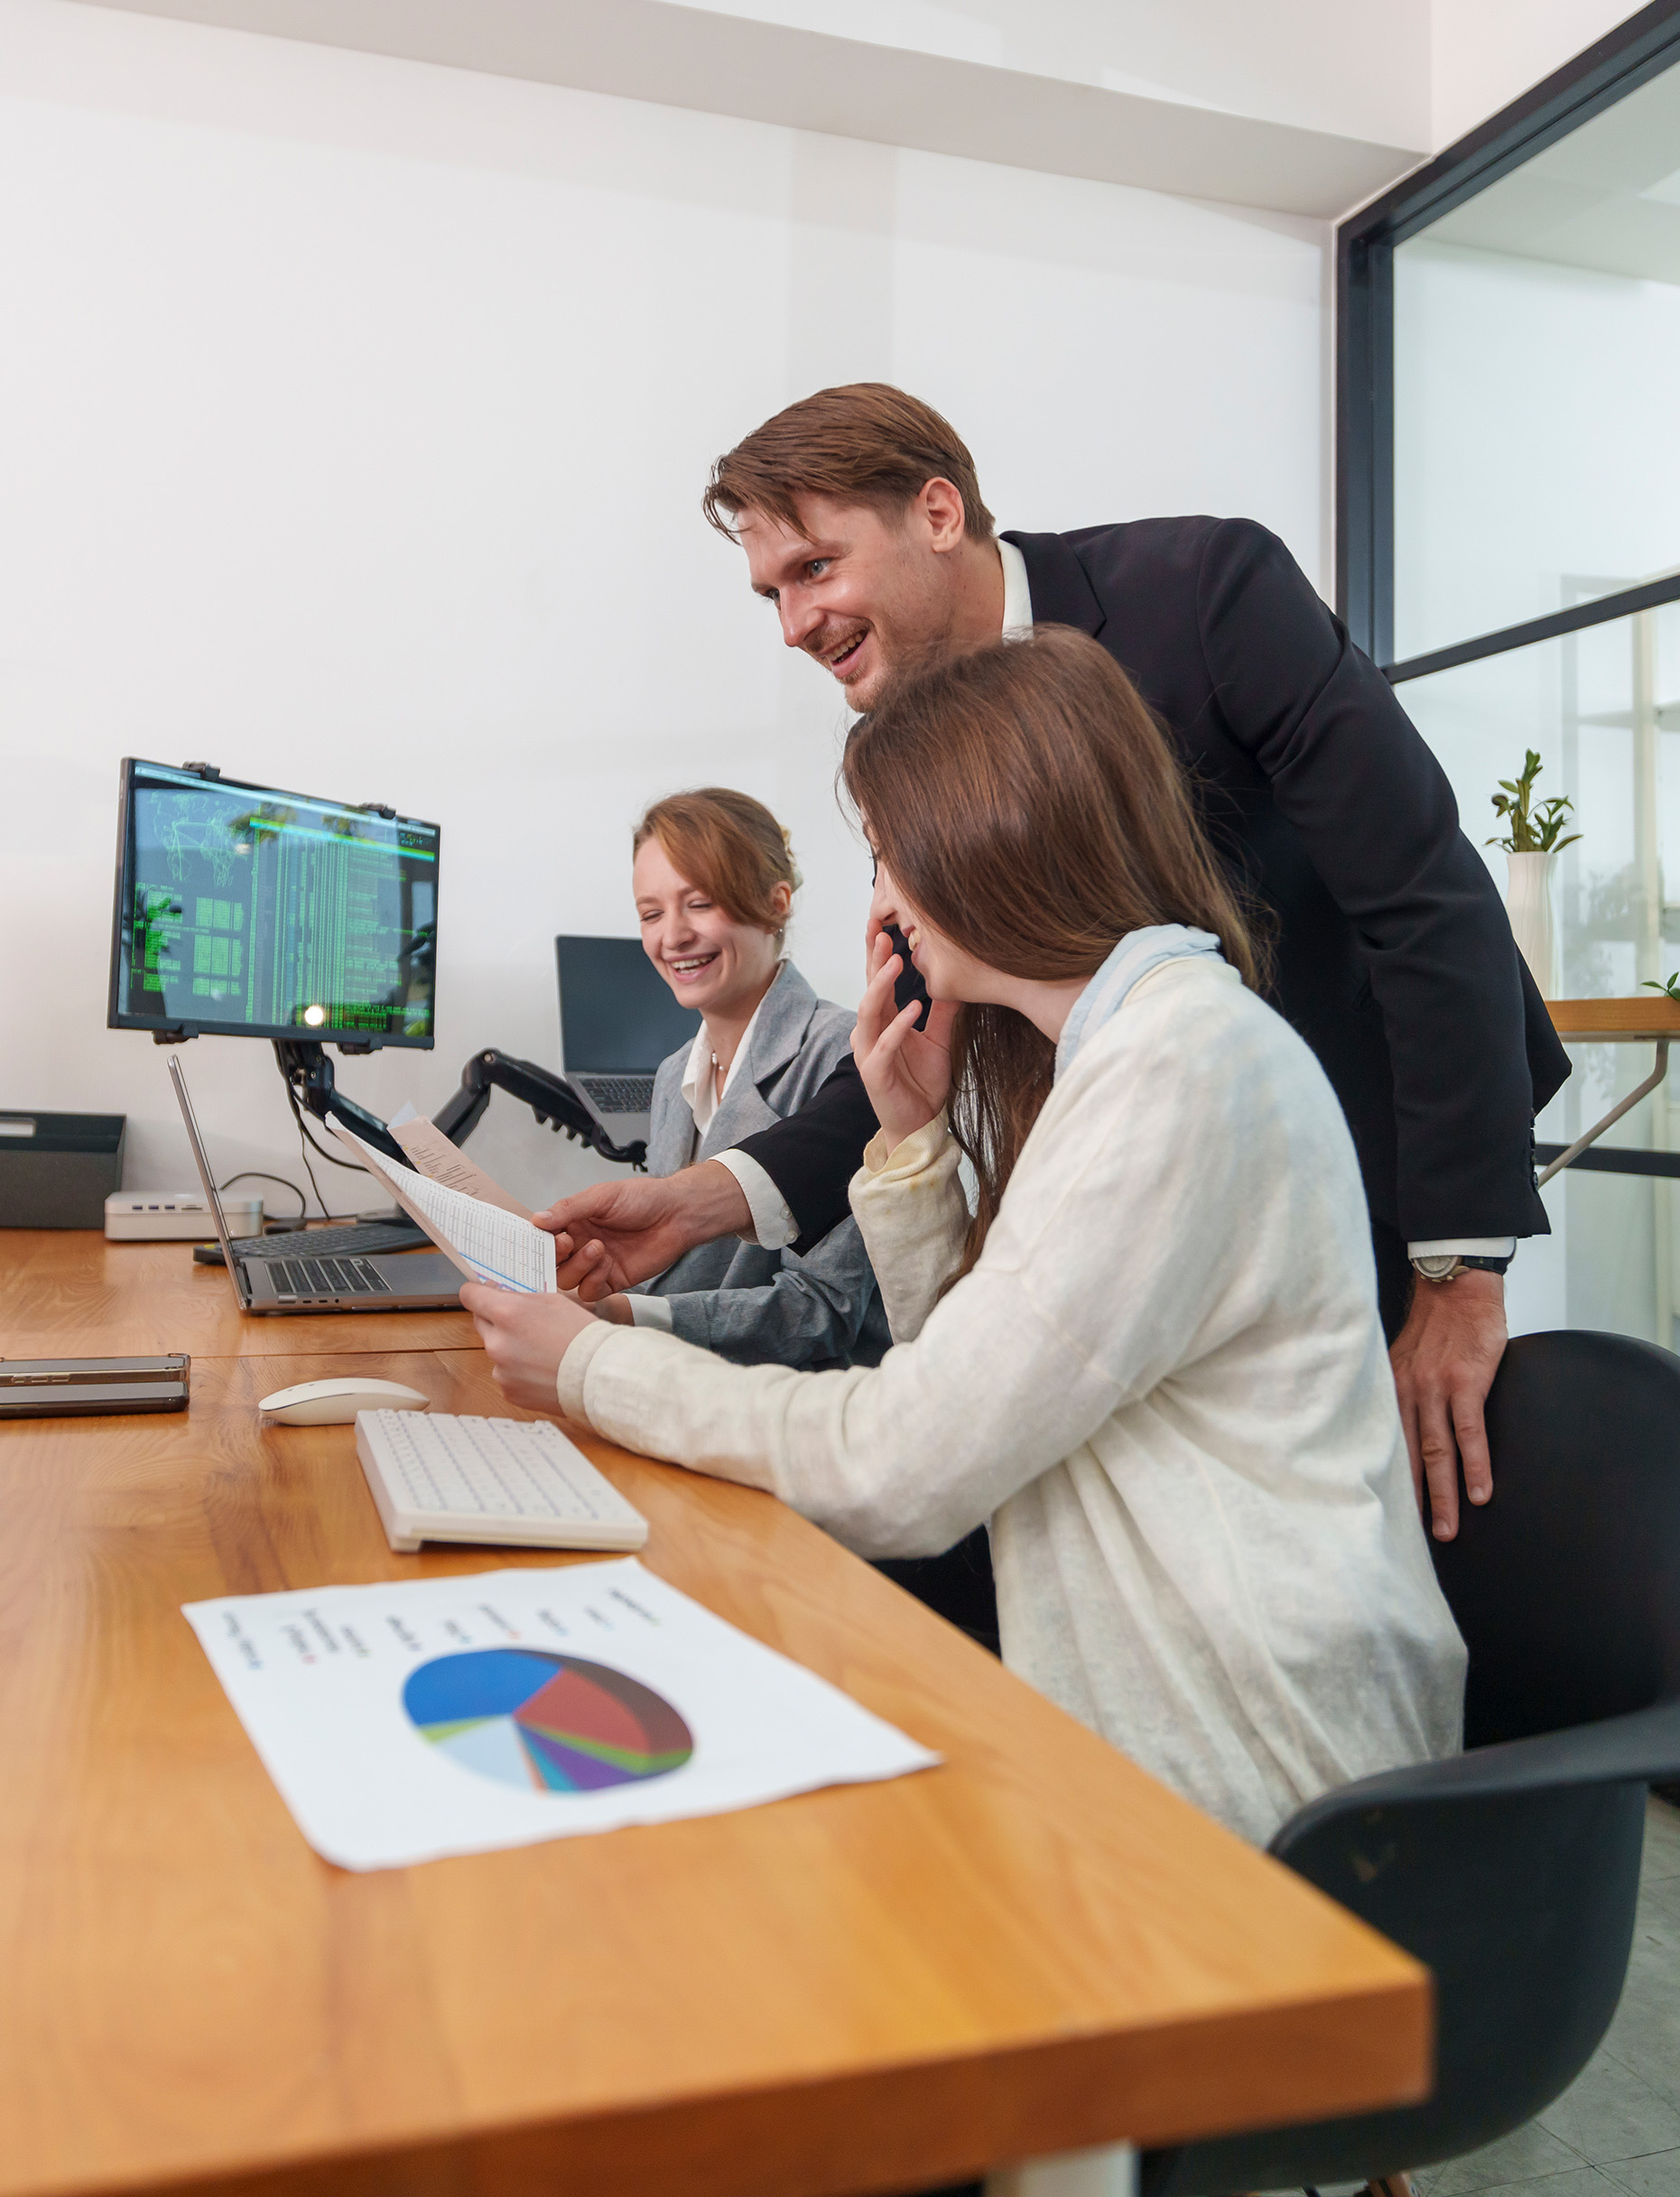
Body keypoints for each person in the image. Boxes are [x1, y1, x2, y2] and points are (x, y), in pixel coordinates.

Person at [470, 631, 1464, 1839]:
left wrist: (587, 1364)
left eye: (886, 858)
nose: (879, 904)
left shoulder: (1180, 1069)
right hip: (1143, 1726)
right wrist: (907, 1139)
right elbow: (974, 1381)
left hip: (1248, 1784)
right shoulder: (1129, 1049)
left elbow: (909, 1466)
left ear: (983, 844)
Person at [539, 384, 1568, 1538]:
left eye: (814, 569)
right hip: (1107, 1170)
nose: (790, 624)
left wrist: (1457, 1270)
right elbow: (909, 1032)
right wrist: (700, 1201)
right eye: (770, 592)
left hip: (1349, 1142)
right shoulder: (900, 734)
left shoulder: (1204, 596)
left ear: (937, 512)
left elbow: (1425, 901)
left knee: (1352, 1510)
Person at [601, 787, 888, 1375]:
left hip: (800, 1406)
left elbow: (823, 1313)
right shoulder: (672, 1075)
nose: (672, 936)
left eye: (699, 903)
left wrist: (633, 1318)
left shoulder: (848, 1056)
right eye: (651, 914)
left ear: (776, 903)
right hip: (674, 1384)